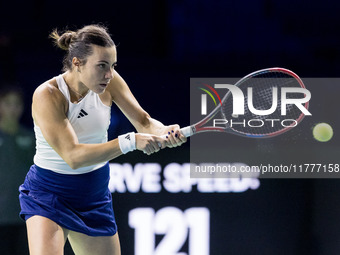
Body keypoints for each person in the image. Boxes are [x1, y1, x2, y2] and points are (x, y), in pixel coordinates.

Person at [18, 24, 186, 255]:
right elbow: (73, 156)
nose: (109, 74)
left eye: (113, 66)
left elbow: (145, 122)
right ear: (77, 62)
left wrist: (166, 131)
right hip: (49, 194)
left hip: (93, 194)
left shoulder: (110, 81)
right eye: (102, 66)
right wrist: (130, 141)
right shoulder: (48, 94)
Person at [0, 85, 34, 255]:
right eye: (7, 103)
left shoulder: (31, 137)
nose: (12, 109)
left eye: (17, 104)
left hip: (25, 215)